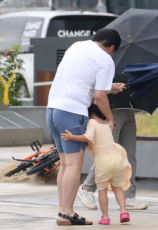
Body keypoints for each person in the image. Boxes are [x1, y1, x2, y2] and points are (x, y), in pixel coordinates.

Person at [46, 28, 123, 225]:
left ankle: (63, 211)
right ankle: (67, 212)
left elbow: (82, 80)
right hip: (72, 113)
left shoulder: (77, 46)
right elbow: (99, 96)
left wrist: (109, 87)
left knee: (64, 164)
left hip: (53, 109)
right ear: (112, 47)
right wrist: (109, 118)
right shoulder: (106, 60)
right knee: (73, 165)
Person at [77, 75, 148, 211]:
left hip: (129, 108)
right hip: (111, 108)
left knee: (129, 154)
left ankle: (129, 196)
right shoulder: (107, 60)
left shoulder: (132, 56)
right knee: (107, 152)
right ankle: (87, 188)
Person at [62, 104, 132, 225]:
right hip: (116, 158)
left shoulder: (91, 123)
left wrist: (71, 137)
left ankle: (105, 217)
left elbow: (88, 137)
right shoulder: (106, 124)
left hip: (103, 161)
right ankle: (124, 211)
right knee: (117, 188)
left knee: (102, 190)